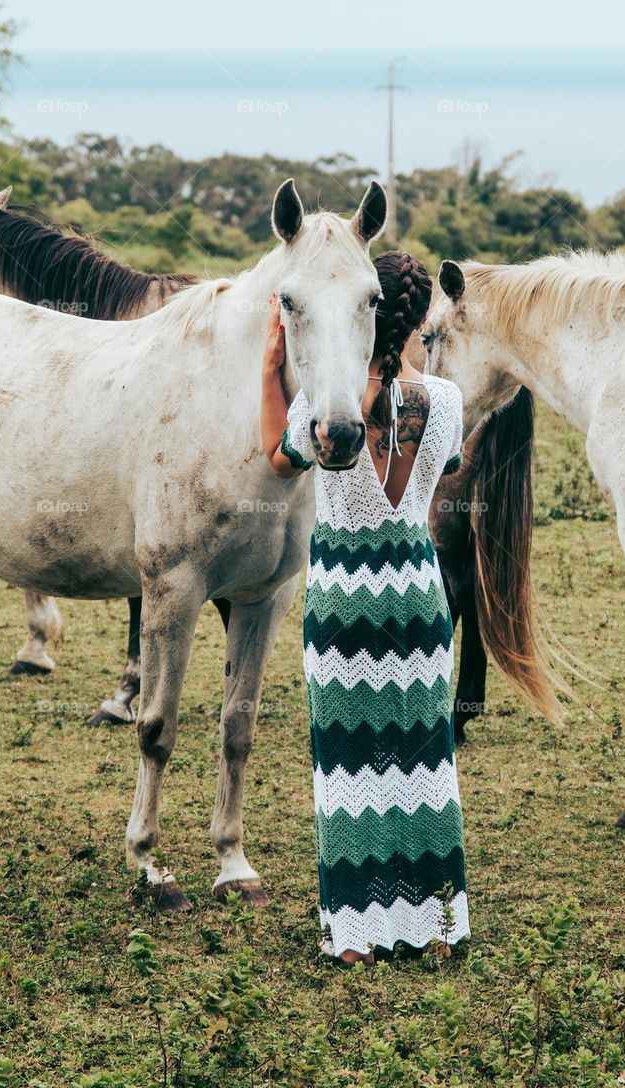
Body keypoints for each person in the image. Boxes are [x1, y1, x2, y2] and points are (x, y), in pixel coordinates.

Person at [261, 250, 469, 965]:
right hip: (416, 590)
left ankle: (355, 938)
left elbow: (278, 460)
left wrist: (268, 370)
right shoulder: (444, 401)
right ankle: (438, 930)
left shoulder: (322, 409)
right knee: (423, 767)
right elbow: (443, 471)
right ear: (415, 322)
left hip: (343, 597)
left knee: (347, 773)